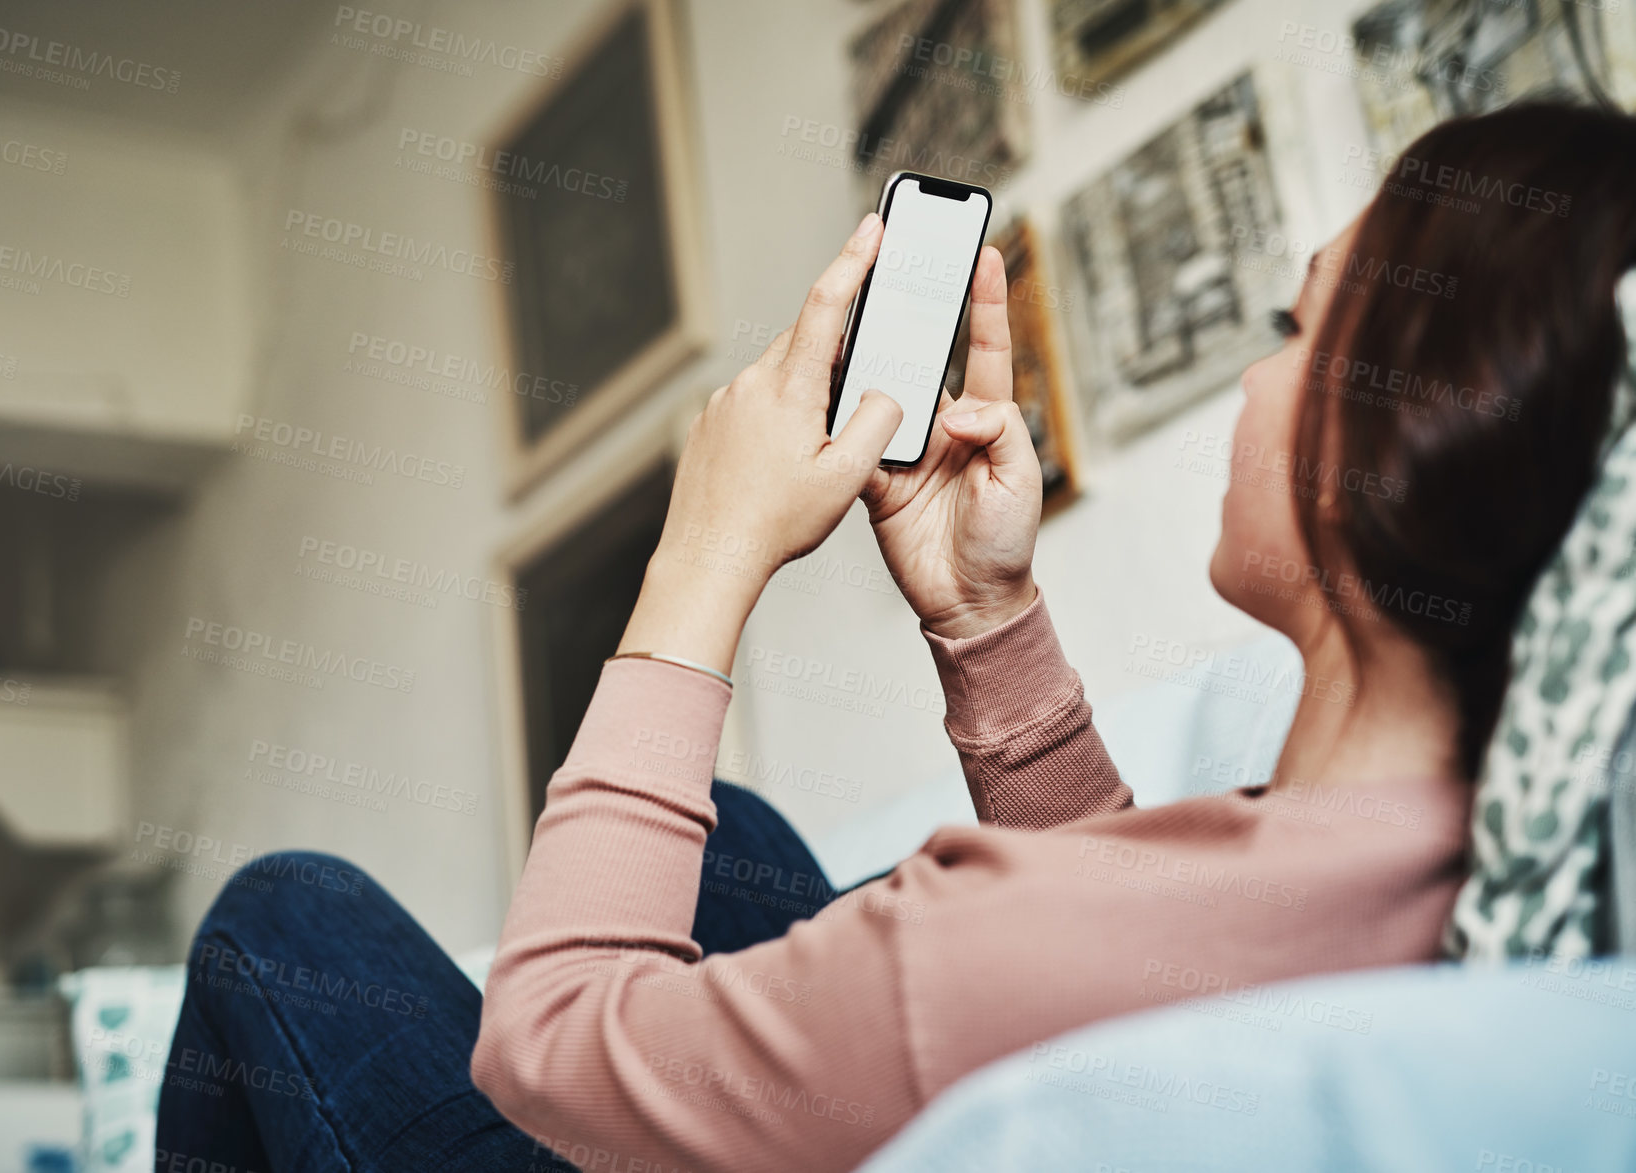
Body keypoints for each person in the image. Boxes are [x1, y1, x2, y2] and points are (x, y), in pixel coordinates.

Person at [156, 102, 1636, 1172]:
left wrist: (703, 552)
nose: (1255, 379)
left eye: (1291, 324)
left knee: (287, 915)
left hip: (595, 1078)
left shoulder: (1004, 947)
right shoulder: (1453, 871)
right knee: (727, 835)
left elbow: (547, 1049)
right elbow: (1133, 941)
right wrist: (985, 616)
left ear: (1408, 431)